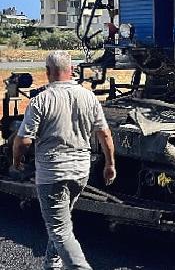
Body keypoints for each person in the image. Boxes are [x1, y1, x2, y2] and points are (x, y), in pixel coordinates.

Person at [11, 51, 116, 270]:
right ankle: (52, 264)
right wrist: (109, 164)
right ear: (71, 70)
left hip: (53, 173)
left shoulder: (41, 100)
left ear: (48, 72)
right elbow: (104, 134)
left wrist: (17, 161)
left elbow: (24, 141)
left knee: (60, 230)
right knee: (61, 221)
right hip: (80, 171)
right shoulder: (89, 97)